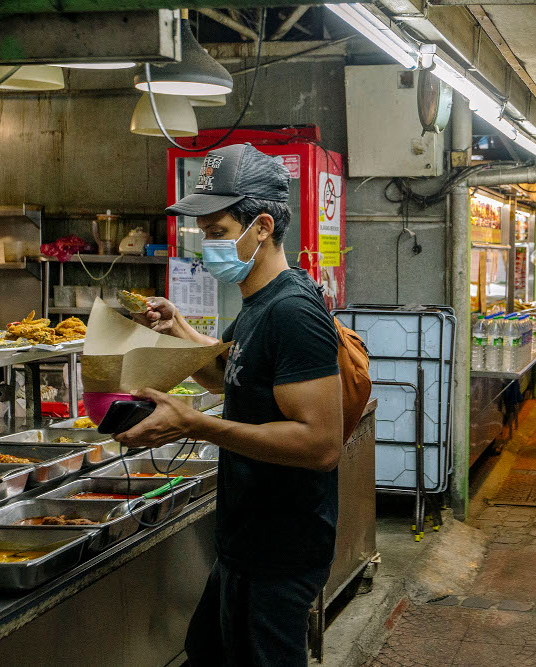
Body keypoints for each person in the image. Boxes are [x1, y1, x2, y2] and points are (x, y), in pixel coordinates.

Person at [115, 143, 343, 667]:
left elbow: (320, 443)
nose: (204, 248)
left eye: (216, 233)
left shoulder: (292, 311)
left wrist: (195, 425)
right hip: (246, 538)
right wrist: (178, 328)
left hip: (282, 548)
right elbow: (229, 378)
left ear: (261, 227)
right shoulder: (257, 304)